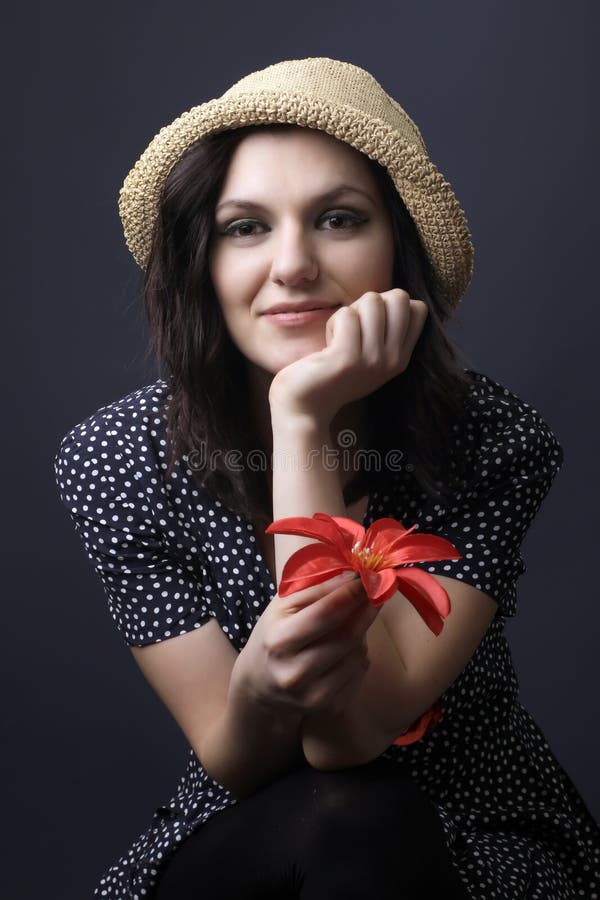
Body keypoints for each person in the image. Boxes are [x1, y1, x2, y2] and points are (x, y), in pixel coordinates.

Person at [54, 57, 600, 899]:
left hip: (468, 827)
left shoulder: (494, 438)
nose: (293, 265)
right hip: (248, 820)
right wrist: (256, 693)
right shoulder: (117, 458)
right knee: (330, 818)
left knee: (364, 811)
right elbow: (231, 758)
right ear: (201, 258)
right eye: (245, 227)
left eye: (338, 219)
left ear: (397, 254)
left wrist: (300, 417)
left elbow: (351, 737)